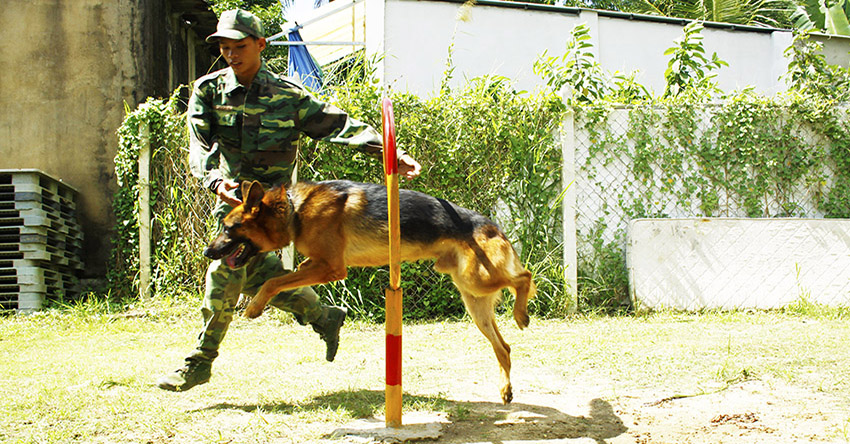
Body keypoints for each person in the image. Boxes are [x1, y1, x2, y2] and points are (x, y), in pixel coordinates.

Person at [157, 9, 421, 392]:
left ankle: (199, 363)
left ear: (261, 45)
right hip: (234, 208)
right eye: (225, 48)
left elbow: (337, 125)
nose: (231, 55)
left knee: (227, 274)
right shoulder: (208, 91)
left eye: (240, 46)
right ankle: (323, 316)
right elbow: (198, 145)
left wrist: (388, 152)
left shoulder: (287, 95)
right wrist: (215, 179)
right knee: (252, 274)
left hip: (278, 215)